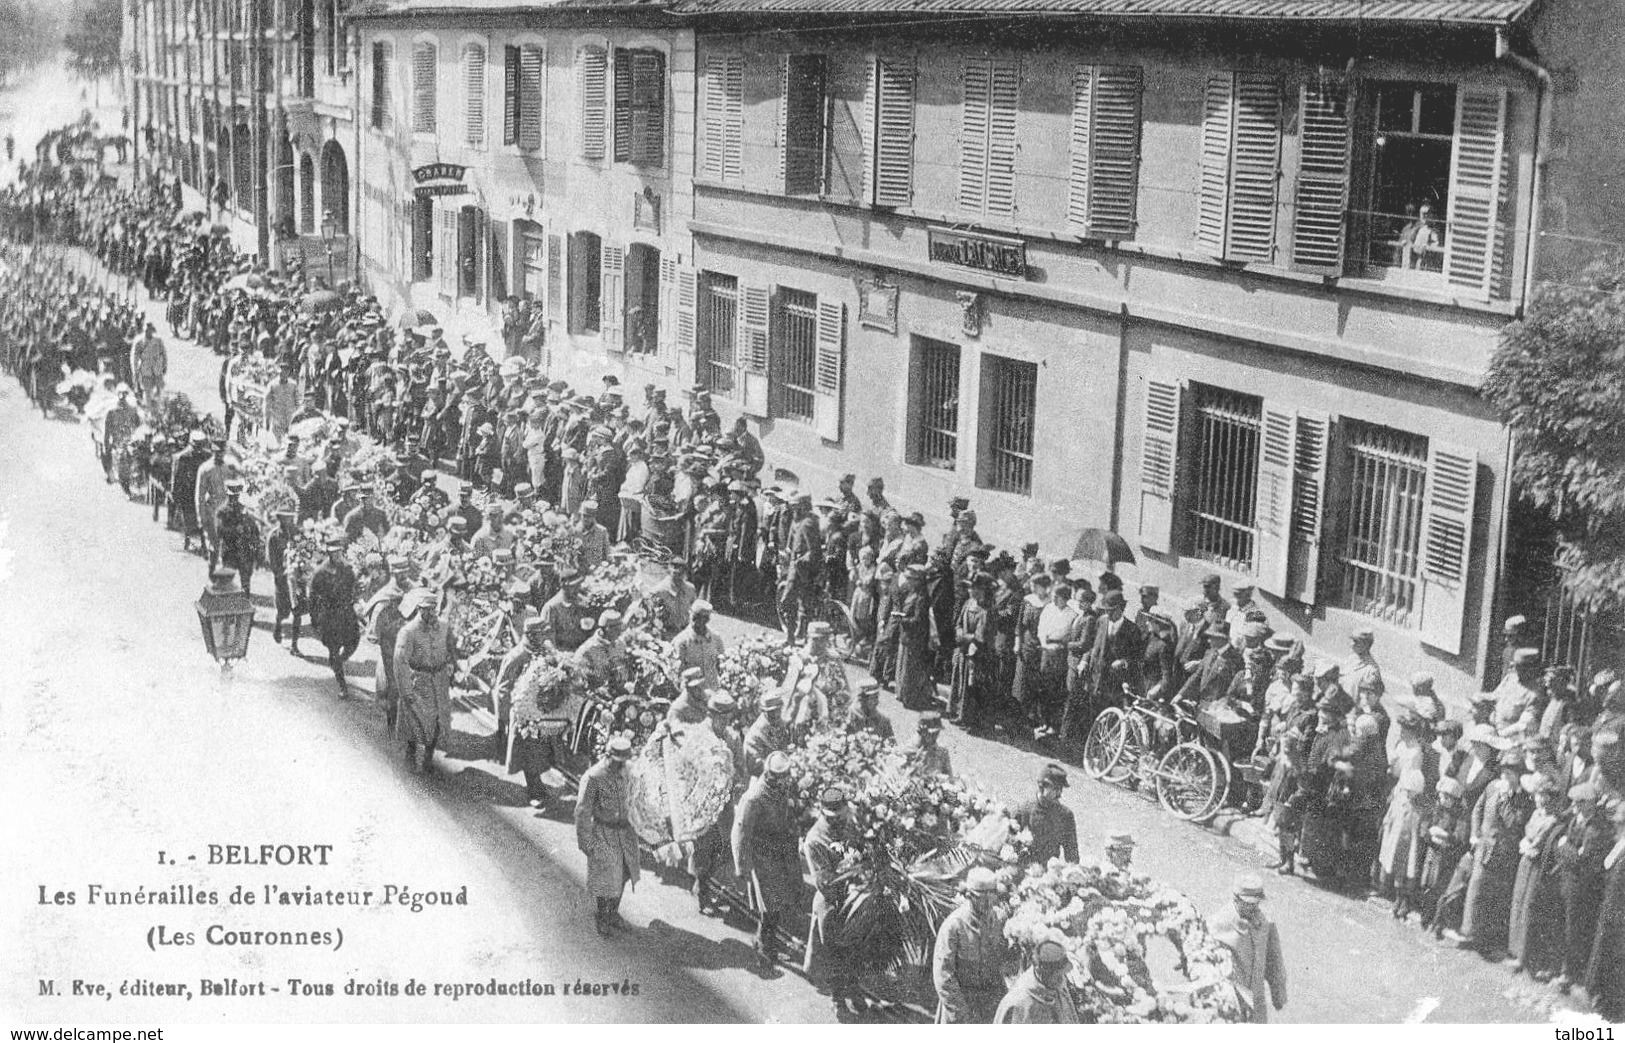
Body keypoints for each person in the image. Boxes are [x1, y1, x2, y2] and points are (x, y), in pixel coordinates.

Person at [732, 751, 804, 971]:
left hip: (781, 851)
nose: (787, 780)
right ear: (770, 775)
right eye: (782, 776)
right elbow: (740, 833)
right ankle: (764, 944)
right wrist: (741, 865)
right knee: (770, 904)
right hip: (762, 854)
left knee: (782, 898)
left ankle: (767, 936)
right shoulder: (754, 797)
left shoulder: (780, 790)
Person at [1458, 757, 1533, 959]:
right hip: (1484, 846)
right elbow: (1477, 810)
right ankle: (1468, 932)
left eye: (1508, 773)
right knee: (1476, 888)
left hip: (1504, 852)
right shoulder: (1492, 787)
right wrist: (1474, 834)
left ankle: (1487, 938)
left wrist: (1506, 799)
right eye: (1503, 772)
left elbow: (1513, 823)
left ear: (1518, 776)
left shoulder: (1523, 799)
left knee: (1496, 895)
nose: (1504, 777)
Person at [804, 786, 862, 1016]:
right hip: (833, 900)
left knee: (859, 948)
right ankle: (837, 999)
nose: (839, 821)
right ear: (822, 812)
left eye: (842, 816)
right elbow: (824, 881)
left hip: (856, 894)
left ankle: (855, 990)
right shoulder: (815, 840)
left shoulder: (850, 821)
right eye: (833, 818)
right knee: (835, 950)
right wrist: (854, 868)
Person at [575, 735, 641, 937]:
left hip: (626, 832)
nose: (620, 766)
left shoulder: (630, 771)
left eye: (623, 762)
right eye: (616, 761)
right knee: (606, 878)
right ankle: (602, 917)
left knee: (624, 873)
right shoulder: (593, 776)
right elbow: (582, 812)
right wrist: (586, 842)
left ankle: (613, 913)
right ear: (607, 756)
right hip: (604, 832)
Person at [1554, 782, 1613, 992]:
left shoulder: (1597, 829)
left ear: (1591, 804)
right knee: (1566, 925)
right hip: (1569, 881)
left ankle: (1568, 973)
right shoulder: (1578, 820)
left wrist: (1563, 846)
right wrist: (1569, 850)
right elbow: (1574, 853)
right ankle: (1564, 968)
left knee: (1574, 930)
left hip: (1582, 887)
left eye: (1580, 802)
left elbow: (1582, 860)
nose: (1576, 806)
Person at [932, 866, 1009, 1023]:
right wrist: (961, 1016)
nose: (988, 903)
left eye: (992, 896)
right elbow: (943, 976)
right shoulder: (953, 926)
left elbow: (1004, 960)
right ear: (969, 895)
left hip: (991, 1004)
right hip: (961, 1005)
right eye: (981, 897)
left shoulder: (999, 919)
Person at [1207, 875, 1287, 1023]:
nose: (1254, 908)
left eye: (1257, 903)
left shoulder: (1265, 923)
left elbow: (1274, 962)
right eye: (1248, 904)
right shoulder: (1217, 924)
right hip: (1229, 1003)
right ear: (1235, 899)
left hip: (1256, 1004)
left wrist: (1278, 995)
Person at [394, 589, 456, 774]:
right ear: (419, 609)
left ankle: (428, 758)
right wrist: (406, 691)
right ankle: (410, 754)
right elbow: (400, 662)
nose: (431, 613)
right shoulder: (408, 632)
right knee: (415, 720)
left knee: (437, 721)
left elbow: (451, 649)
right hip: (418, 682)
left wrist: (451, 668)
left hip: (439, 680)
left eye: (433, 609)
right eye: (426, 609)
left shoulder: (444, 627)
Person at [307, 534, 361, 696]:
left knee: (353, 641)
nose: (337, 555)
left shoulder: (347, 569)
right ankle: (342, 686)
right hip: (329, 615)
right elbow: (312, 596)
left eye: (339, 552)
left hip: (346, 612)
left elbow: (354, 588)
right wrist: (314, 618)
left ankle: (338, 662)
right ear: (328, 553)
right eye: (334, 552)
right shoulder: (321, 572)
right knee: (333, 649)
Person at [995, 940, 1078, 1023]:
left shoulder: (1058, 985)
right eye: (1057, 975)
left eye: (1063, 973)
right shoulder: (1018, 1002)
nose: (1062, 979)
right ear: (1042, 973)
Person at [1015, 763, 1079, 864]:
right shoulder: (1025, 809)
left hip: (1049, 873)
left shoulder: (1065, 816)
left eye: (1061, 789)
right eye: (1055, 788)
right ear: (1042, 787)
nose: (1059, 794)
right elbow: (1009, 841)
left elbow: (1072, 855)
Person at [213, 479, 261, 596]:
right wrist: (236, 530)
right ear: (228, 496)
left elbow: (255, 532)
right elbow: (219, 532)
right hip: (230, 552)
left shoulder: (246, 511)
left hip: (245, 552)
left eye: (236, 496)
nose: (234, 500)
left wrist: (256, 551)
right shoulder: (222, 512)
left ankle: (245, 604)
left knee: (245, 583)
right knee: (227, 582)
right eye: (231, 497)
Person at [671, 599, 726, 689]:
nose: (698, 622)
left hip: (713, 690)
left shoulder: (716, 638)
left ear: (707, 619)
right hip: (691, 694)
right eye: (695, 617)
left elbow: (722, 665)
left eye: (703, 618)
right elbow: (676, 674)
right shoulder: (681, 641)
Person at [743, 691, 791, 778]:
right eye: (771, 712)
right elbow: (754, 767)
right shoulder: (754, 735)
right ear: (764, 711)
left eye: (778, 710)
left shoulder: (780, 723)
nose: (776, 714)